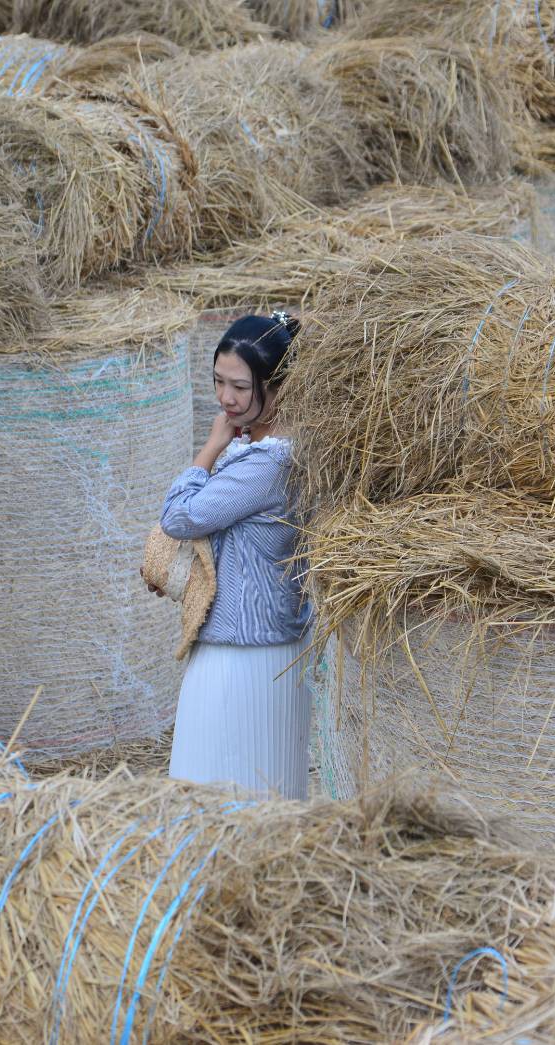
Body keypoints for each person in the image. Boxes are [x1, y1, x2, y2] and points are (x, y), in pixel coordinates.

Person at [152, 311, 312, 799]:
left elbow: (179, 518)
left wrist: (208, 449)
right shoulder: (276, 449)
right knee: (263, 785)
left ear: (277, 385)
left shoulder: (266, 463)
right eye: (219, 382)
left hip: (242, 654)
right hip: (270, 646)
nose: (226, 398)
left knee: (217, 788)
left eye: (241, 387)